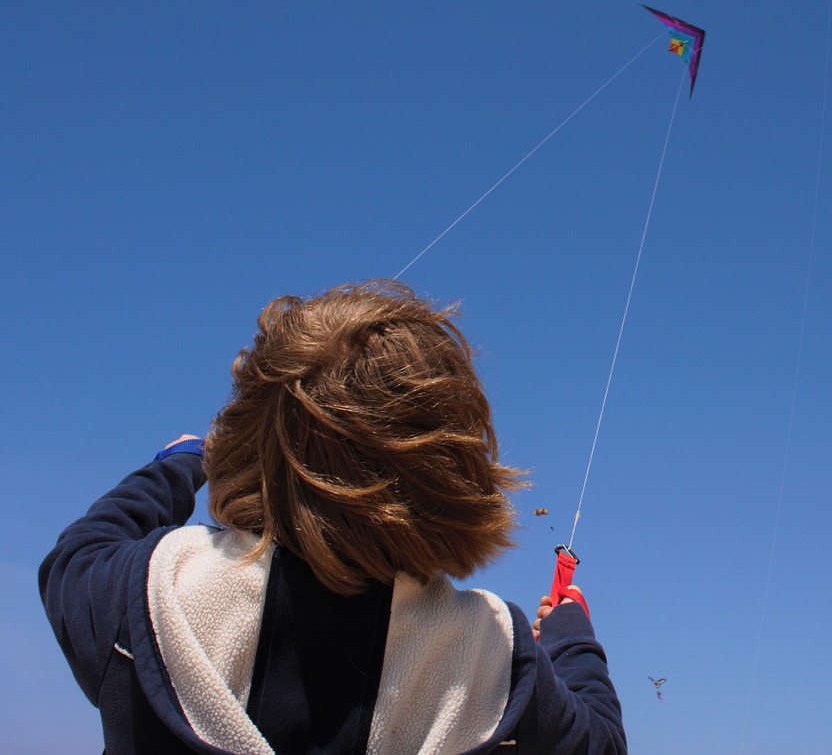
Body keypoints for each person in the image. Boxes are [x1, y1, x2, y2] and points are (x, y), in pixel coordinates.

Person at [39, 280, 626, 754]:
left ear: (250, 445)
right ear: (457, 468)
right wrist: (570, 634)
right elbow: (600, 744)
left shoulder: (150, 595)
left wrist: (181, 462)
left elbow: (77, 555)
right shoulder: (495, 657)